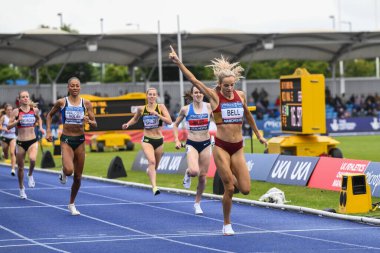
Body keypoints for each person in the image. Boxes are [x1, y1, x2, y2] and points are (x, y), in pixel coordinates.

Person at [169, 46, 267, 235]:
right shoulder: (214, 97)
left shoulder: (241, 96)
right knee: (229, 188)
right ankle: (227, 224)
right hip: (221, 146)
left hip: (238, 147)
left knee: (245, 189)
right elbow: (193, 80)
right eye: (226, 86)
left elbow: (249, 116)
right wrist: (179, 62)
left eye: (232, 85)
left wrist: (259, 135)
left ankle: (230, 176)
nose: (230, 89)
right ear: (219, 85)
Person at [45, 77, 97, 215]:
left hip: (80, 140)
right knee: (69, 171)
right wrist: (49, 131)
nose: (75, 88)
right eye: (72, 86)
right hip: (66, 139)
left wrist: (89, 121)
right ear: (68, 87)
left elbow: (95, 123)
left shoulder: (86, 103)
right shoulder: (62, 102)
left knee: (78, 177)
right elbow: (49, 116)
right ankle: (64, 170)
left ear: (80, 88)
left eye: (77, 86)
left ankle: (72, 204)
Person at [122, 87, 172, 195]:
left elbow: (169, 121)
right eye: (150, 94)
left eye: (154, 94)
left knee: (155, 166)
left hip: (159, 140)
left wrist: (158, 115)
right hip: (147, 139)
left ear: (157, 96)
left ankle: (150, 170)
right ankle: (154, 187)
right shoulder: (141, 109)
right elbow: (135, 119)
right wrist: (127, 124)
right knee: (152, 162)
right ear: (147, 96)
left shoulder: (161, 107)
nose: (152, 96)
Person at [173, 86, 213, 215]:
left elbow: (219, 121)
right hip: (192, 143)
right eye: (196, 92)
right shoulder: (185, 109)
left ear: (203, 94)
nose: (198, 94)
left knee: (202, 177)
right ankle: (188, 172)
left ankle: (197, 203)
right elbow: (175, 125)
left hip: (206, 143)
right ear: (192, 94)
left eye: (200, 92)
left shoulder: (209, 107)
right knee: (195, 171)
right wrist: (177, 140)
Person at [7, 91, 45, 199]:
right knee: (20, 168)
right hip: (20, 142)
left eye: (27, 97)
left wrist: (41, 127)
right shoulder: (16, 111)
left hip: (32, 140)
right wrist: (17, 121)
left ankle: (30, 174)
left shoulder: (35, 110)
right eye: (23, 97)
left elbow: (39, 118)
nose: (25, 98)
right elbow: (9, 126)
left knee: (33, 159)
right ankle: (21, 188)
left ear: (29, 98)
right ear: (19, 99)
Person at [0, 104, 17, 176]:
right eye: (8, 110)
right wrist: (5, 129)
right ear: (5, 110)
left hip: (12, 137)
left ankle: (13, 169)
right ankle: (4, 154)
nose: (10, 111)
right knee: (6, 156)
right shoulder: (4, 117)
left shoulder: (15, 117)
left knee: (12, 153)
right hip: (4, 137)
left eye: (11, 110)